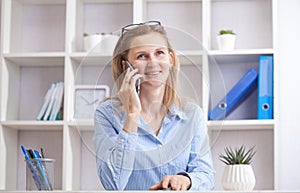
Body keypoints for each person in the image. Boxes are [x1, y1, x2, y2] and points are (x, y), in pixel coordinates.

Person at [93, 21, 215, 191]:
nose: (153, 63)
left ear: (170, 59)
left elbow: (205, 174)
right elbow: (113, 184)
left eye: (159, 53)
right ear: (125, 66)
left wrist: (186, 180)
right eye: (142, 56)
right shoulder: (107, 114)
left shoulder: (192, 113)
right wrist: (132, 115)